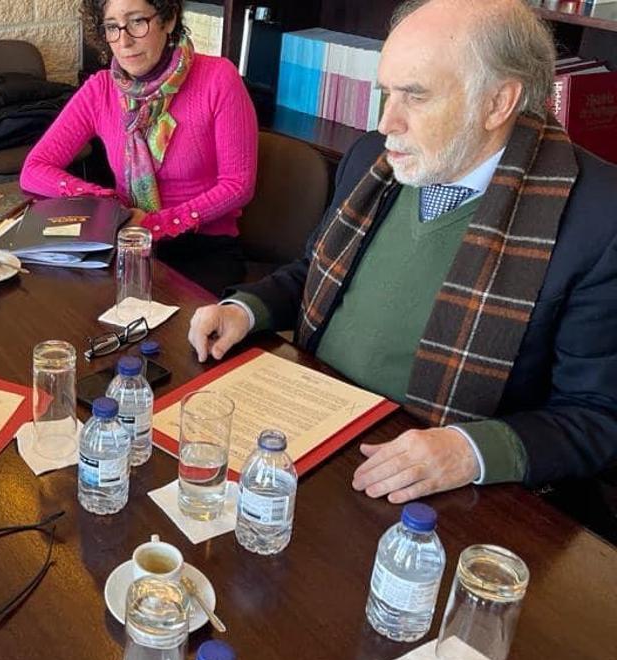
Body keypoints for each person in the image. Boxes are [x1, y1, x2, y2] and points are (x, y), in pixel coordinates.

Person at [187, 0, 617, 532]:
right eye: (386, 92)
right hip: (311, 426)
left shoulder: (597, 216)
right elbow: (313, 274)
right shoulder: (374, 158)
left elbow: (597, 417)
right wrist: (245, 310)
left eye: (415, 95)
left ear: (498, 101)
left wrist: (466, 450)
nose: (386, 122)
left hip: (440, 501)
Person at [20, 0, 258, 293]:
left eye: (136, 22)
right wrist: (104, 201)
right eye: (112, 27)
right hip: (126, 239)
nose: (125, 41)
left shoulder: (219, 78)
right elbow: (34, 169)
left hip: (203, 248)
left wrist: (158, 224)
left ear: (168, 20)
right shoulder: (101, 88)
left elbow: (238, 186)